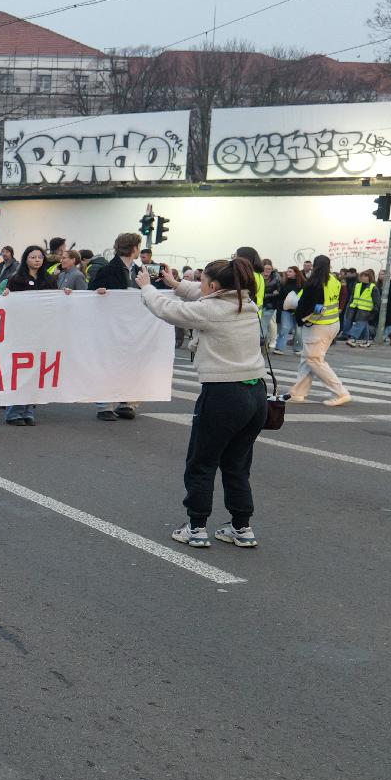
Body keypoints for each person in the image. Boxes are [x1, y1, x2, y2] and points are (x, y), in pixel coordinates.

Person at [137, 259, 266, 550]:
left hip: (224, 394)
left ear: (215, 286)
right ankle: (242, 527)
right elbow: (201, 294)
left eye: (203, 281)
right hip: (256, 393)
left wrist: (147, 288)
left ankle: (196, 527)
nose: (200, 285)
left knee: (202, 463)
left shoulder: (211, 310)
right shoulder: (247, 304)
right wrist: (175, 283)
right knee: (237, 464)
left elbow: (169, 310)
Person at [1, 245, 61, 427]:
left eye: (40, 257)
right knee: (20, 371)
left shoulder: (49, 280)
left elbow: (55, 301)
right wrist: (6, 296)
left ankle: (28, 411)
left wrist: (65, 294)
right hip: (22, 332)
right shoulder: (16, 280)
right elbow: (9, 303)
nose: (37, 260)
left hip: (42, 331)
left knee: (35, 372)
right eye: (33, 257)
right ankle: (14, 412)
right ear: (26, 259)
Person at [91, 232, 143, 421]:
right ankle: (105, 405)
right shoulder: (108, 270)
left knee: (132, 363)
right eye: (138, 246)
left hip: (134, 326)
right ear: (134, 248)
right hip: (111, 326)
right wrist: (98, 292)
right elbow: (90, 294)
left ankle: (128, 402)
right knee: (109, 363)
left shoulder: (140, 271)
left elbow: (152, 290)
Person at [289, 255, 350, 407]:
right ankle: (298, 393)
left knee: (314, 360)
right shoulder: (334, 280)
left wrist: (298, 318)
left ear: (314, 266)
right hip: (333, 324)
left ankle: (341, 392)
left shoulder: (314, 282)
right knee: (308, 358)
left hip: (317, 327)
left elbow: (304, 305)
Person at [273, 266, 303, 353]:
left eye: (290, 271)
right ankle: (279, 348)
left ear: (295, 273)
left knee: (298, 331)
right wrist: (277, 295)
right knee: (284, 328)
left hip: (298, 310)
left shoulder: (303, 284)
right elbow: (281, 296)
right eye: (287, 271)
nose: (287, 273)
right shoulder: (284, 283)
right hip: (286, 309)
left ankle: (298, 349)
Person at [346, 269, 378, 347]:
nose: (363, 278)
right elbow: (352, 297)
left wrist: (373, 312)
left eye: (365, 276)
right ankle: (366, 341)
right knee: (364, 325)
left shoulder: (373, 288)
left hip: (366, 310)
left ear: (369, 278)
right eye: (362, 276)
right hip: (355, 308)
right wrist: (350, 306)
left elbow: (376, 301)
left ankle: (353, 339)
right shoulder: (357, 285)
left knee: (359, 324)